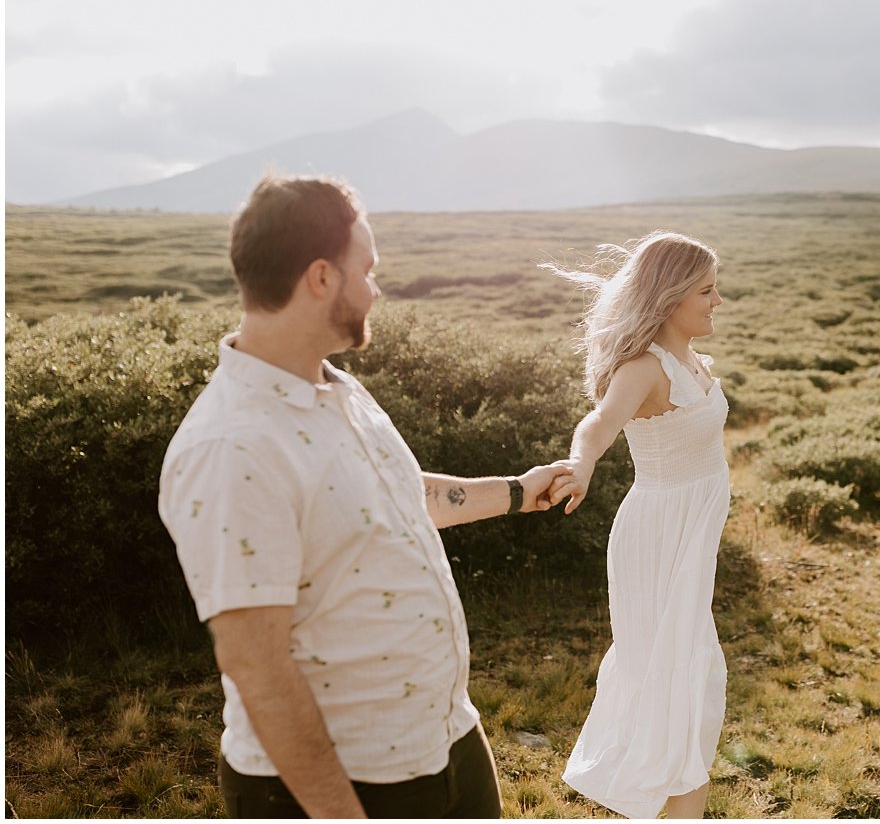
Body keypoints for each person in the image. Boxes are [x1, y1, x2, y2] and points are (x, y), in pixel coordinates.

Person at [158, 174, 575, 818]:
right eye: (369, 269)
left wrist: (518, 492)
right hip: (344, 784)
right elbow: (256, 666)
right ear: (321, 278)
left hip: (444, 740)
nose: (377, 288)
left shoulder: (338, 388)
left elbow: (400, 502)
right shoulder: (232, 447)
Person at [541, 232, 731, 819]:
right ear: (672, 296)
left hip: (691, 538)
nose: (716, 301)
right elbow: (599, 423)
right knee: (671, 676)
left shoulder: (691, 361)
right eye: (706, 290)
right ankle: (665, 803)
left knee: (689, 676)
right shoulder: (645, 367)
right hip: (658, 540)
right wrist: (581, 463)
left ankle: (675, 806)